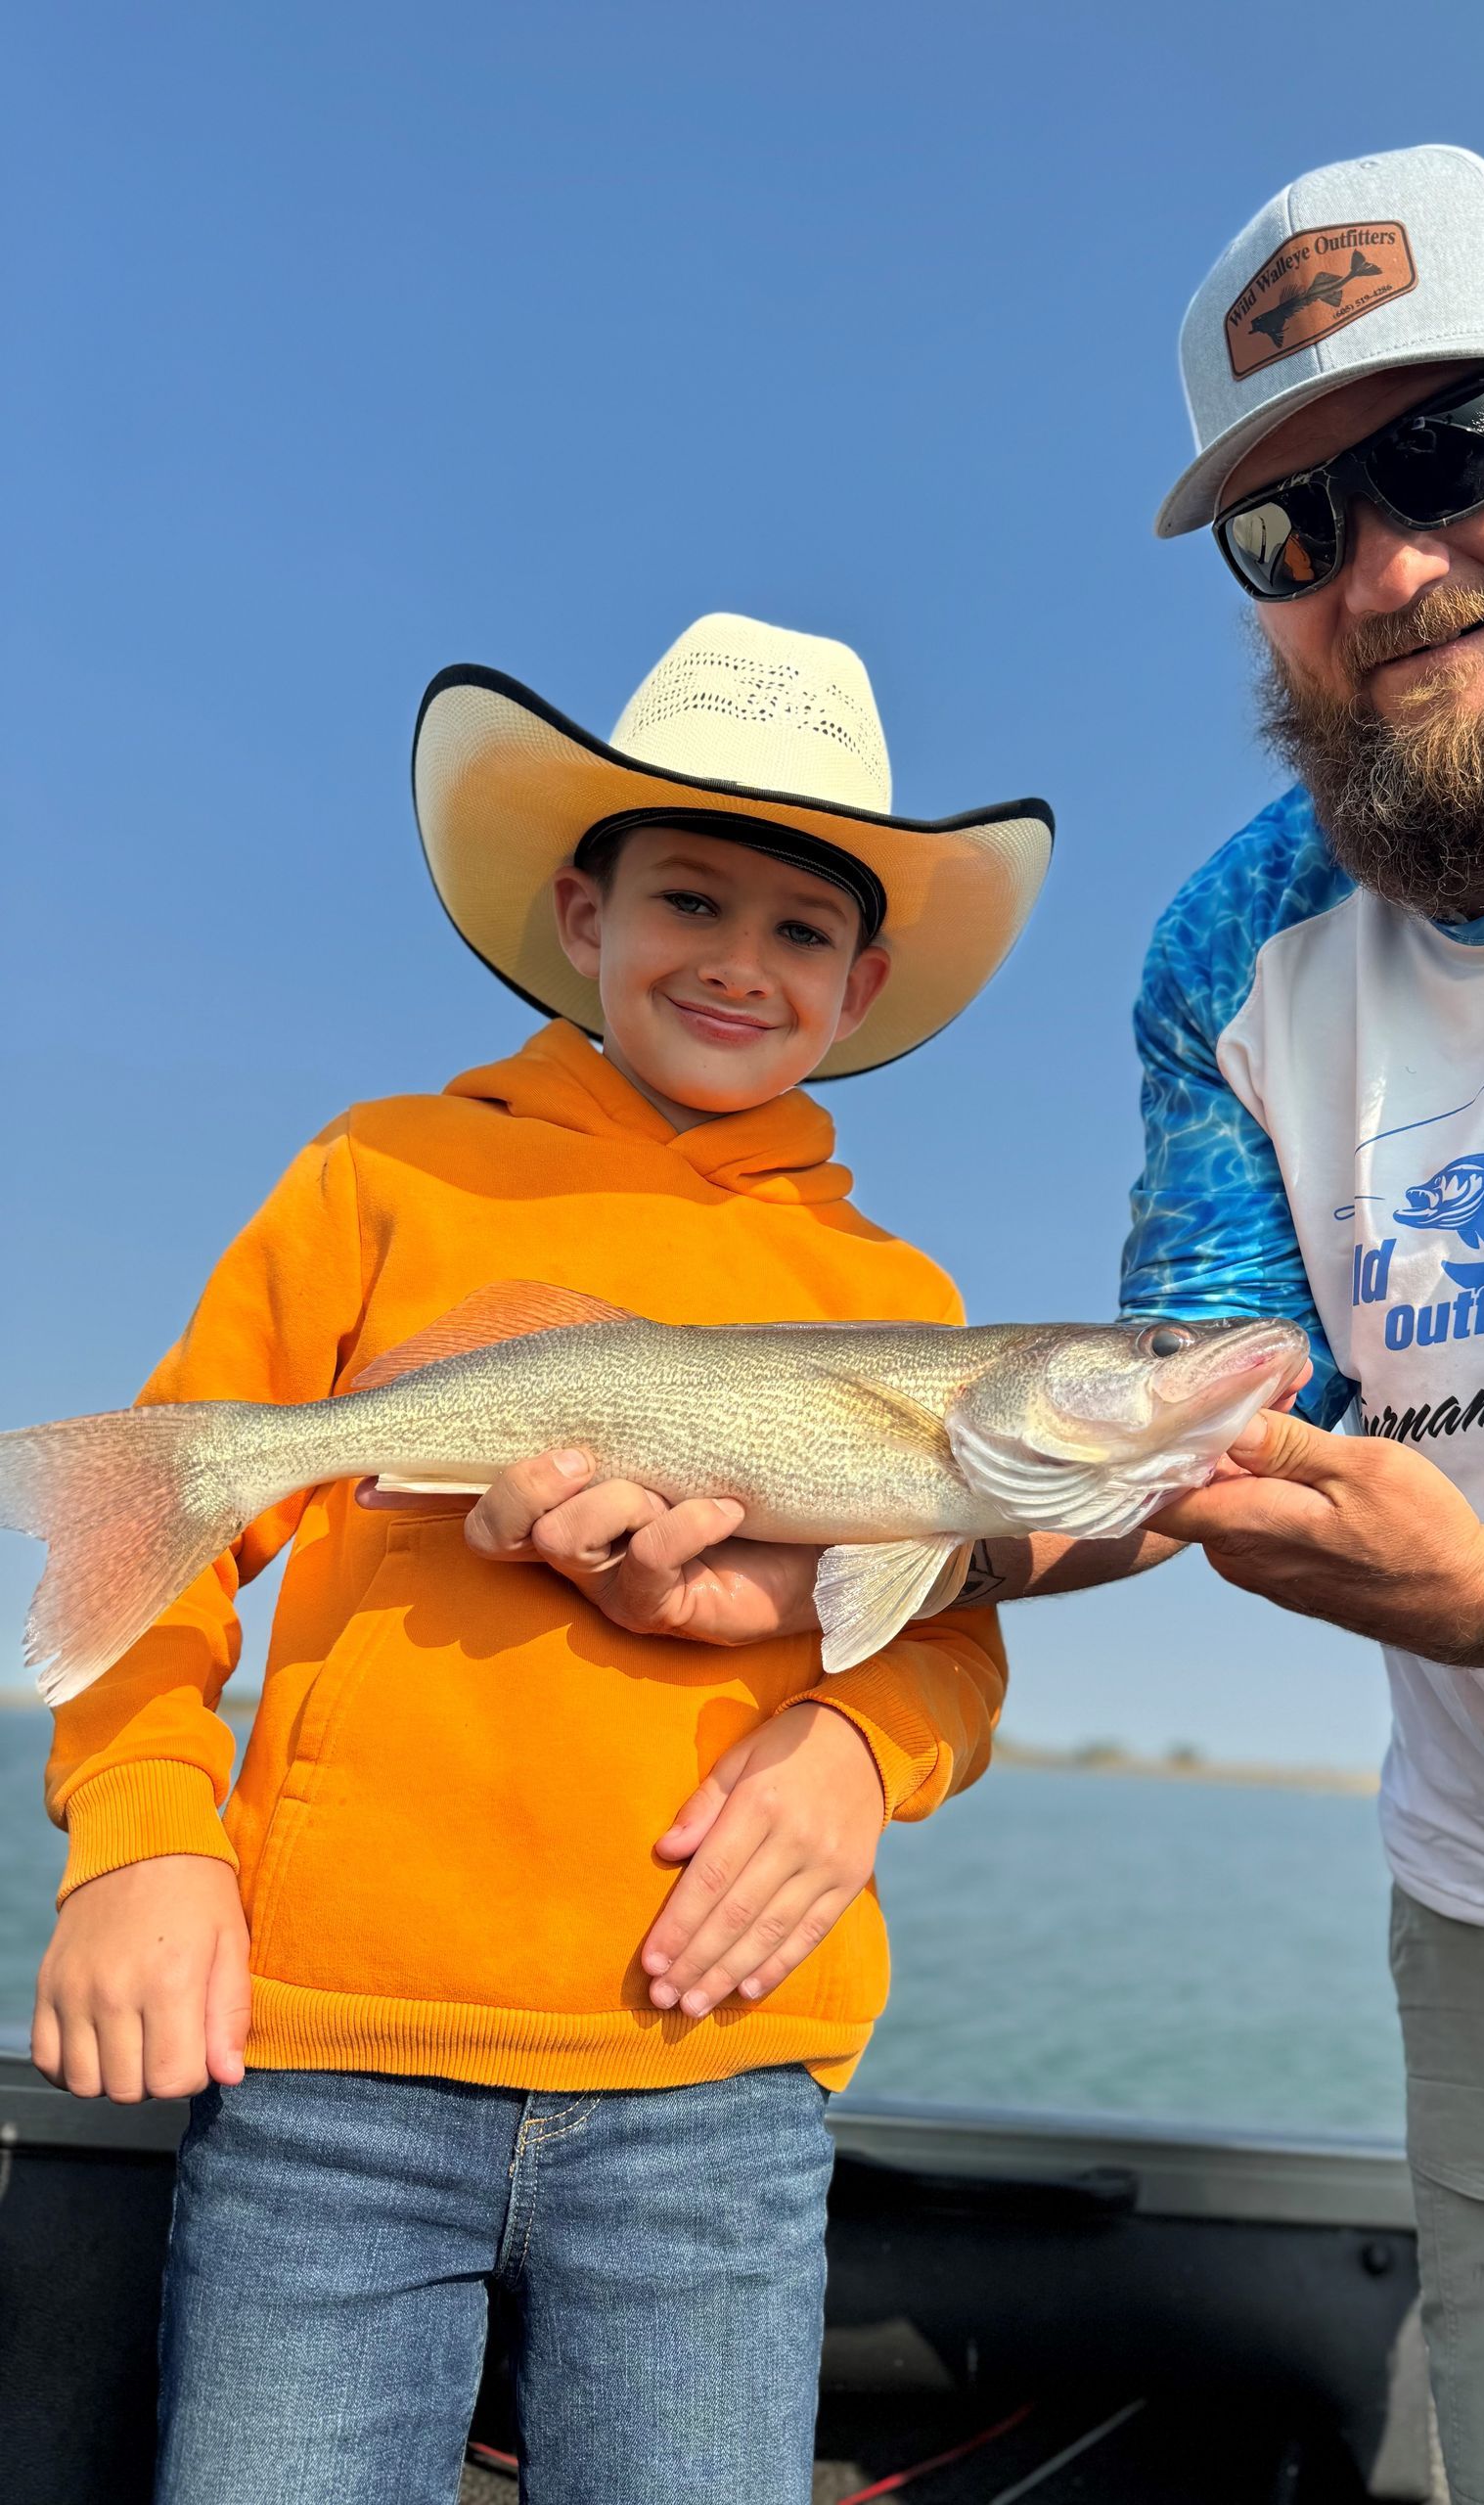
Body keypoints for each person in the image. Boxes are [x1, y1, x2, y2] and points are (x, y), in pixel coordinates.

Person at [511, 148, 1484, 2501]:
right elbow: (1168, 1428)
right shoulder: (1223, 950)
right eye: (1290, 530)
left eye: (1449, 449)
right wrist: (839, 1577)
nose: (1387, 564)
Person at [30, 612, 1050, 2505]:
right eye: (689, 898)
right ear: (584, 917)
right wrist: (144, 1839)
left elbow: (955, 1633)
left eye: (801, 930)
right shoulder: (385, 1172)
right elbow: (163, 1526)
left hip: (721, 2086)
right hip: (324, 2061)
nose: (741, 961)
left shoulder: (904, 1301)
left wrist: (859, 1746)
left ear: (864, 977)